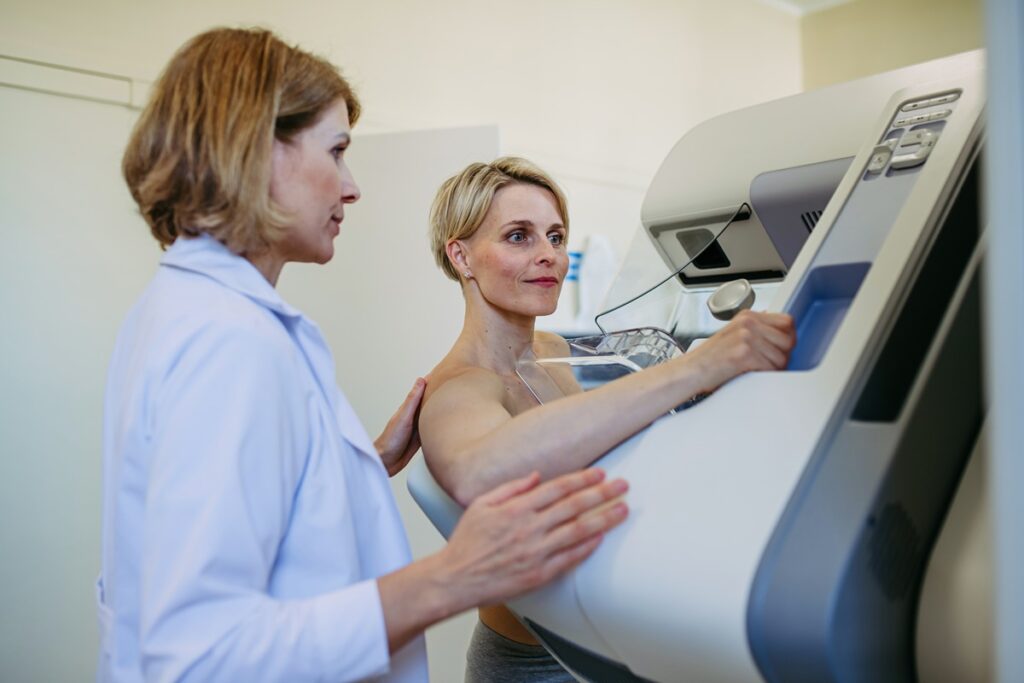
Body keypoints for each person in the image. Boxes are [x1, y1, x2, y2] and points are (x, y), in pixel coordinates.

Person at [98, 29, 631, 683]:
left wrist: (353, 465)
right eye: (338, 151)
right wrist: (455, 573)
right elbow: (201, 650)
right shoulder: (227, 339)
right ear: (257, 151)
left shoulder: (187, 311)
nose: (351, 188)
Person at [419, 157, 797, 681]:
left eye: (555, 236)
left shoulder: (548, 348)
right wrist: (695, 367)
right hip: (537, 663)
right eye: (518, 237)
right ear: (460, 255)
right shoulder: (461, 385)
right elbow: (479, 469)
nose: (548, 255)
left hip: (604, 640)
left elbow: (589, 435)